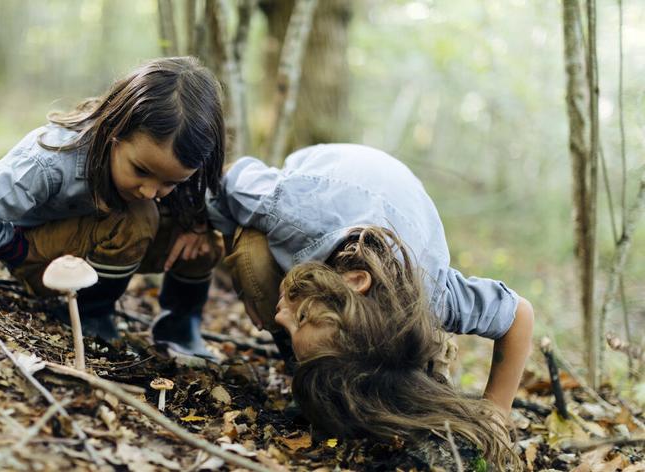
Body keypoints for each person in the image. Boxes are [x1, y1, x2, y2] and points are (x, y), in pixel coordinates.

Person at [207, 144, 533, 461]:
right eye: (302, 317)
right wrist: (208, 221)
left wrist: (497, 412)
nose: (279, 319)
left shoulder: (432, 296)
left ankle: (337, 372)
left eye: (301, 317)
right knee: (255, 256)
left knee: (401, 366)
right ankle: (306, 373)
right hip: (325, 193)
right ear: (352, 281)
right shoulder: (287, 208)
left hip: (394, 225)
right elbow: (229, 176)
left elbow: (518, 314)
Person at [0, 56, 225, 359]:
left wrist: (198, 225)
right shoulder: (49, 161)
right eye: (141, 171)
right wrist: (18, 251)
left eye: (170, 182)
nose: (150, 191)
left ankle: (180, 331)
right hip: (45, 260)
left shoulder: (172, 169)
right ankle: (92, 317)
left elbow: (211, 200)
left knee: (206, 241)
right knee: (140, 215)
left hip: (93, 250)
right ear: (114, 132)